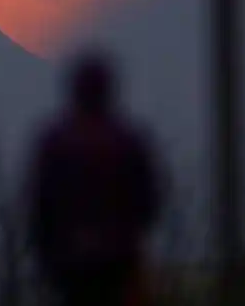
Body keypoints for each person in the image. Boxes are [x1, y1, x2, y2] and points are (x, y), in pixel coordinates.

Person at [24, 49, 165, 306]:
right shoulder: (127, 141)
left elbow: (39, 206)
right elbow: (150, 201)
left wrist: (48, 253)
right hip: (117, 260)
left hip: (73, 262)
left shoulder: (56, 143)